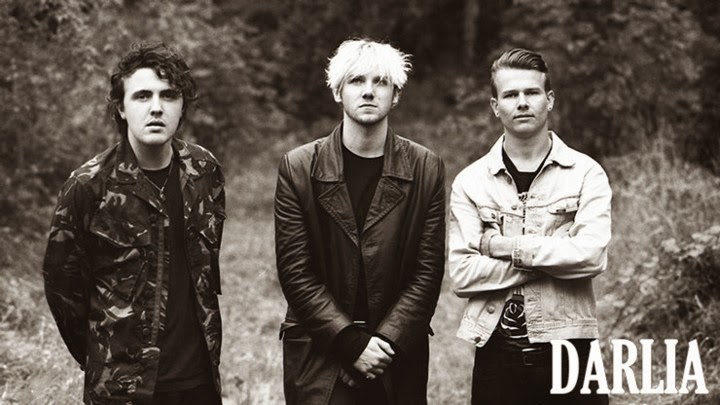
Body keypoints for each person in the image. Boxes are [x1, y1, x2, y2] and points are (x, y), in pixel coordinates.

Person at [42, 42, 225, 404]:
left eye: (168, 95)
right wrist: (102, 355)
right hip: (122, 390)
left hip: (198, 381)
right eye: (142, 96)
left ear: (182, 106)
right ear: (121, 108)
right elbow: (63, 289)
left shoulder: (204, 171)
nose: (156, 107)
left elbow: (205, 270)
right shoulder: (88, 186)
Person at [274, 38, 446, 405]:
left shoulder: (425, 168)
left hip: (396, 355)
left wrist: (382, 344)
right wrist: (350, 344)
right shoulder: (298, 168)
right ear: (338, 91)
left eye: (380, 82)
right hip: (320, 355)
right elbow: (295, 272)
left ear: (396, 95)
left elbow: (427, 272)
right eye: (356, 81)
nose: (369, 91)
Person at [448, 48, 611, 405]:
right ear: (495, 106)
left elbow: (591, 256)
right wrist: (555, 252)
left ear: (549, 99)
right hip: (497, 351)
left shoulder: (586, 174)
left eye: (532, 92)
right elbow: (462, 275)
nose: (522, 102)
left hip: (572, 347)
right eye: (510, 95)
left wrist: (503, 247)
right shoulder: (471, 182)